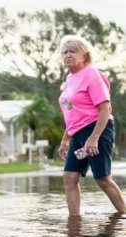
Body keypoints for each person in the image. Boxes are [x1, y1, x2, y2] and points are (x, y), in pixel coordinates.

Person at [57, 34, 126, 216]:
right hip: (77, 134)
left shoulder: (92, 74)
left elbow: (105, 108)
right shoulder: (70, 80)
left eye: (73, 51)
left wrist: (93, 138)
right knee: (70, 177)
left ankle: (124, 214)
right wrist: (65, 140)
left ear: (84, 55)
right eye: (65, 52)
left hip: (97, 129)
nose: (68, 55)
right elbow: (72, 114)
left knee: (102, 178)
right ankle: (75, 221)